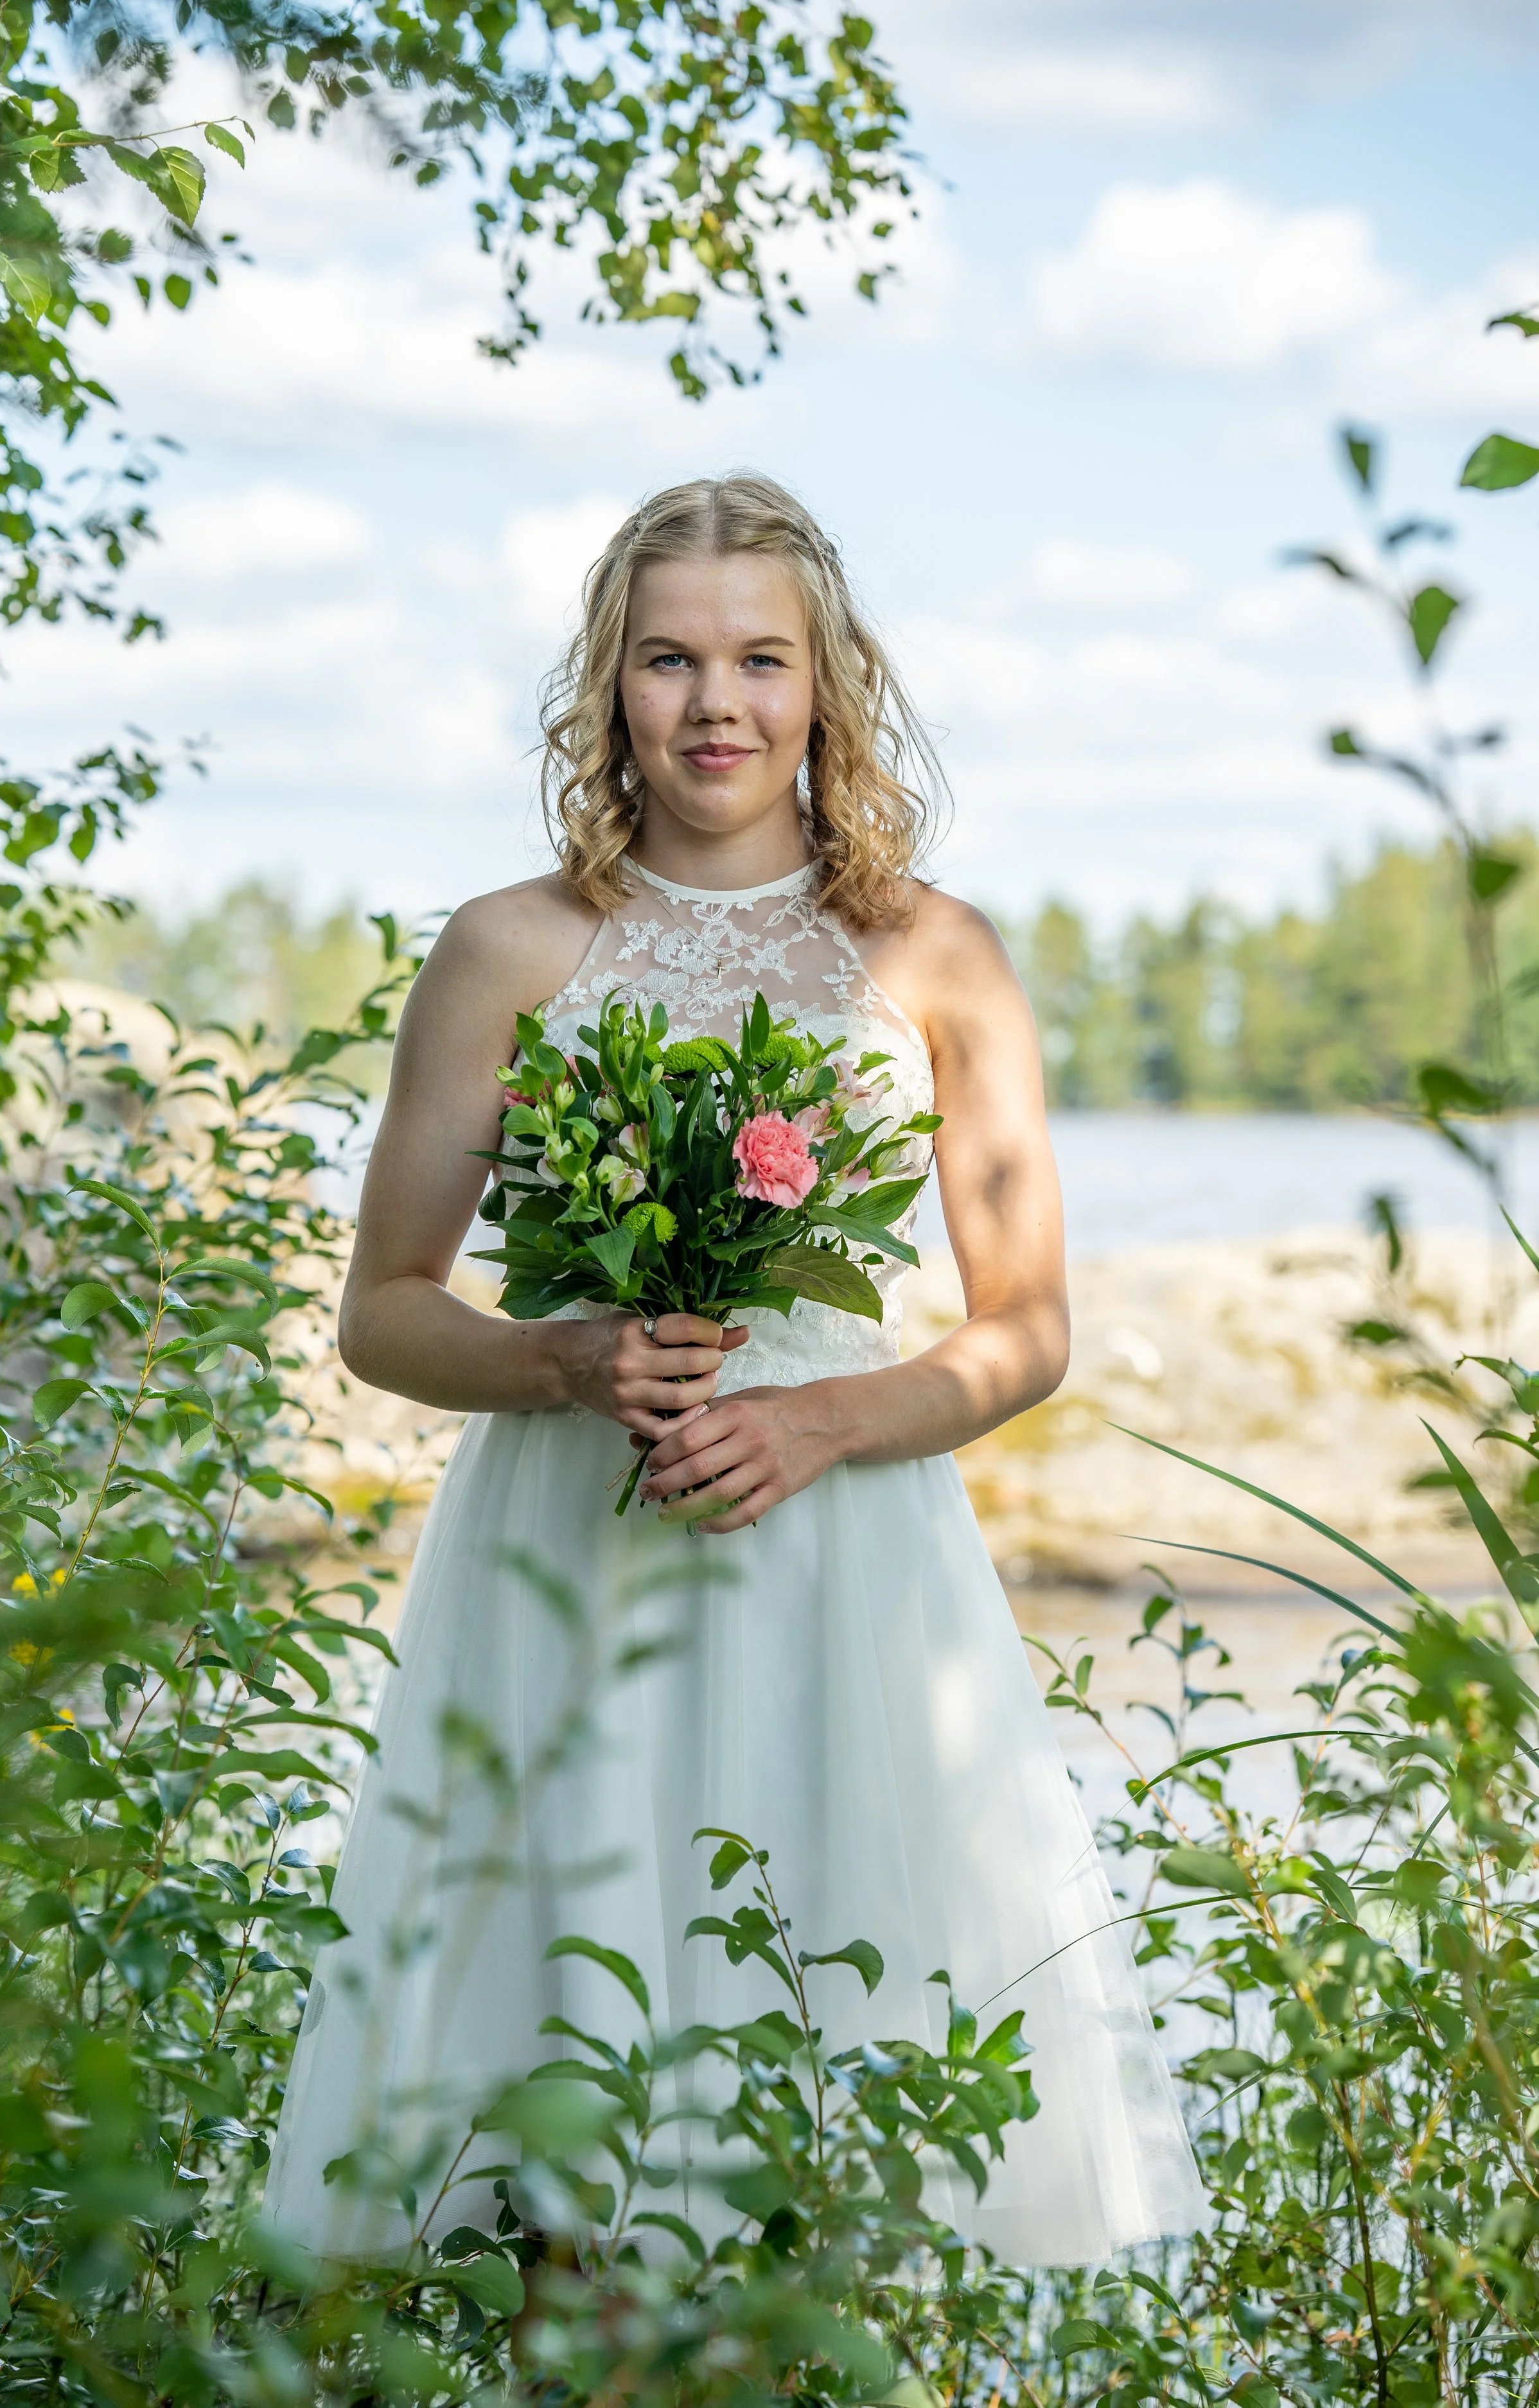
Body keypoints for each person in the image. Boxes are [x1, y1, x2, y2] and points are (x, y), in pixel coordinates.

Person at [263, 472, 1206, 2265]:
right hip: (566, 1560)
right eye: (668, 659)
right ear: (606, 688)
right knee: (559, 2143)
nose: (717, 705)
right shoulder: (507, 947)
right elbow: (383, 1305)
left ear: (827, 684)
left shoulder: (931, 953)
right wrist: (557, 1358)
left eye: (759, 659)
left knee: (826, 2146)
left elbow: (1025, 1328)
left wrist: (814, 1418)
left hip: (841, 1567)